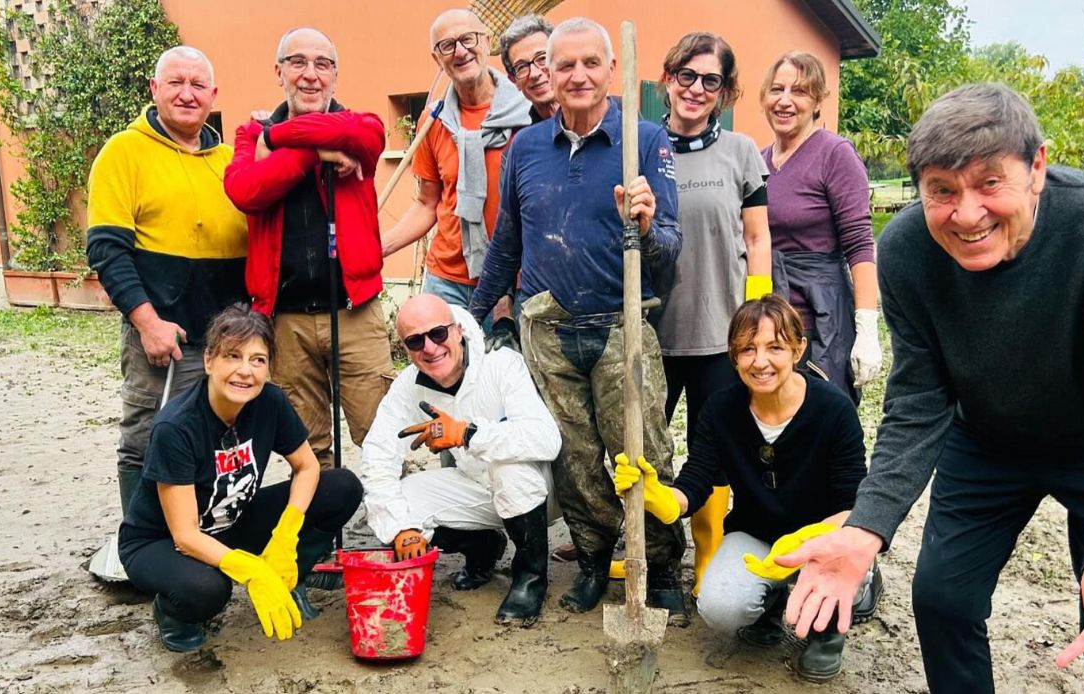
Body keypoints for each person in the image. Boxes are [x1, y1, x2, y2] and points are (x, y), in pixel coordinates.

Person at [778, 83, 1084, 694]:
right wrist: (867, 525)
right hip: (989, 438)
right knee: (943, 598)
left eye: (989, 183)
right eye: (942, 191)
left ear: (1037, 168)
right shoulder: (907, 252)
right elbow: (919, 400)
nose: (966, 214)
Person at [468, 17, 689, 623]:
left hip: (622, 328)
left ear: (611, 69)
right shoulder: (526, 149)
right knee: (575, 458)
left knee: (641, 452)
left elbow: (671, 250)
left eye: (590, 63)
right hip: (548, 329)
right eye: (563, 65)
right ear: (549, 73)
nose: (577, 75)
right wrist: (473, 309)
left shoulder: (644, 142)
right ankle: (592, 563)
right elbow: (507, 243)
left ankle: (663, 565)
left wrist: (645, 225)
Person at [614, 295, 872, 681]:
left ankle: (829, 631)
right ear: (733, 356)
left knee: (842, 569)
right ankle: (768, 606)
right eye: (747, 349)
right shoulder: (721, 409)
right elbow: (697, 479)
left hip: (825, 535)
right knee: (720, 607)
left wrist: (807, 540)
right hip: (757, 533)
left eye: (775, 347)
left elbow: (856, 503)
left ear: (798, 349)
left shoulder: (833, 409)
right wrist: (661, 497)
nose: (760, 361)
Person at [118, 304, 363, 652]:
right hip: (160, 541)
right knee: (208, 588)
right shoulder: (176, 427)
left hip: (230, 519)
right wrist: (250, 570)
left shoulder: (270, 403)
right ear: (208, 361)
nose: (245, 371)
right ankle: (172, 612)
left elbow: (308, 467)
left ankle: (288, 577)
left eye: (258, 360)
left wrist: (285, 536)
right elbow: (185, 535)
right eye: (232, 356)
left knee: (341, 487)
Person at [87, 46, 248, 519]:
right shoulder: (124, 152)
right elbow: (107, 249)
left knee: (214, 435)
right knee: (147, 434)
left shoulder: (228, 161)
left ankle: (201, 530)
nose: (187, 93)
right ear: (154, 89)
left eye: (198, 85)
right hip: (162, 333)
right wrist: (146, 321)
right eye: (175, 82)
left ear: (213, 95)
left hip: (223, 334)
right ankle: (138, 540)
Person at [223, 27, 393, 471]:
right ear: (279, 71)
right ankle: (320, 526)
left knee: (380, 430)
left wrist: (281, 139)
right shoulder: (248, 133)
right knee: (308, 443)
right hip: (286, 319)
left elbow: (369, 137)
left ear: (336, 74)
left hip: (355, 311)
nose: (310, 75)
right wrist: (319, 151)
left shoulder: (362, 124)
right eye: (298, 62)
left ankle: (396, 523)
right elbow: (245, 189)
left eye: (322, 64)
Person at [653, 31, 772, 598]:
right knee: (646, 446)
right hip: (651, 329)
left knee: (717, 449)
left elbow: (756, 233)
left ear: (725, 91)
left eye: (711, 80)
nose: (696, 89)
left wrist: (759, 312)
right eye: (686, 76)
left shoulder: (742, 153)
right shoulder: (644, 146)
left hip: (720, 331)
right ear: (668, 79)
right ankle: (649, 551)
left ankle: (708, 554)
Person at [360, 294, 561, 627]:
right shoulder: (407, 386)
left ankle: (529, 577)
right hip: (475, 490)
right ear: (406, 349)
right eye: (415, 341)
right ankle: (482, 547)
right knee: (401, 501)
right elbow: (377, 456)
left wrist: (467, 435)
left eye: (438, 333)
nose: (430, 347)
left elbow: (546, 439)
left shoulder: (500, 364)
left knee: (509, 468)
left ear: (456, 330)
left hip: (538, 494)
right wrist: (401, 529)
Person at [380, 9, 525, 348]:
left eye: (468, 39)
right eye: (447, 45)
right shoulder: (434, 122)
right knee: (447, 382)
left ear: (486, 42)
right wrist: (378, 248)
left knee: (509, 386)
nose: (460, 51)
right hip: (447, 280)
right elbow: (428, 204)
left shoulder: (527, 113)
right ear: (437, 57)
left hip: (513, 281)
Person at [760, 51, 881, 403]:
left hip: (820, 319)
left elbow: (860, 243)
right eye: (776, 89)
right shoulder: (759, 160)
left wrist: (867, 328)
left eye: (799, 91)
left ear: (817, 102)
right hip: (772, 316)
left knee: (821, 420)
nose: (784, 101)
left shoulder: (834, 154)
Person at [499, 14, 557, 124]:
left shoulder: (595, 117)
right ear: (513, 80)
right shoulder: (523, 138)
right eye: (521, 67)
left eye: (542, 58)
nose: (534, 74)